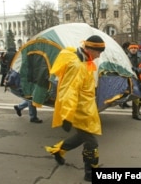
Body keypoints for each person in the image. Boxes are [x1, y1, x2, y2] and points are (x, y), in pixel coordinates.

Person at [45, 35, 105, 182]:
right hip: (78, 111)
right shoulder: (77, 65)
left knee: (81, 137)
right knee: (91, 142)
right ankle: (90, 172)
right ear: (89, 49)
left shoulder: (84, 60)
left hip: (86, 108)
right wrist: (67, 115)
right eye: (98, 52)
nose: (99, 55)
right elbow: (68, 91)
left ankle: (58, 150)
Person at [126, 42, 141, 120]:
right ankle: (135, 113)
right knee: (136, 96)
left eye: (135, 48)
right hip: (131, 79)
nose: (133, 49)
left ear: (137, 49)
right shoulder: (126, 57)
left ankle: (137, 109)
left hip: (140, 79)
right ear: (129, 49)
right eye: (132, 48)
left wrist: (138, 70)